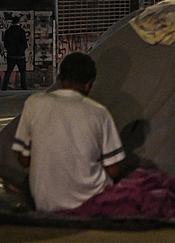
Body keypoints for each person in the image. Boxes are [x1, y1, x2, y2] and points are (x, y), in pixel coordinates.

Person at [12, 52, 125, 212]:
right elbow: (114, 170)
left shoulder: (34, 103)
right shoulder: (99, 112)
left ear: (59, 79)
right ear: (89, 84)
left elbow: (24, 159)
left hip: (46, 204)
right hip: (92, 202)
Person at [2, 16, 28, 90]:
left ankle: (4, 86)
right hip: (20, 55)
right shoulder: (22, 31)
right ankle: (24, 86)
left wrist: (9, 50)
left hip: (11, 54)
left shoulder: (8, 31)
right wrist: (22, 49)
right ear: (19, 22)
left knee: (9, 71)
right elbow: (24, 43)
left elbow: (5, 43)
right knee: (23, 72)